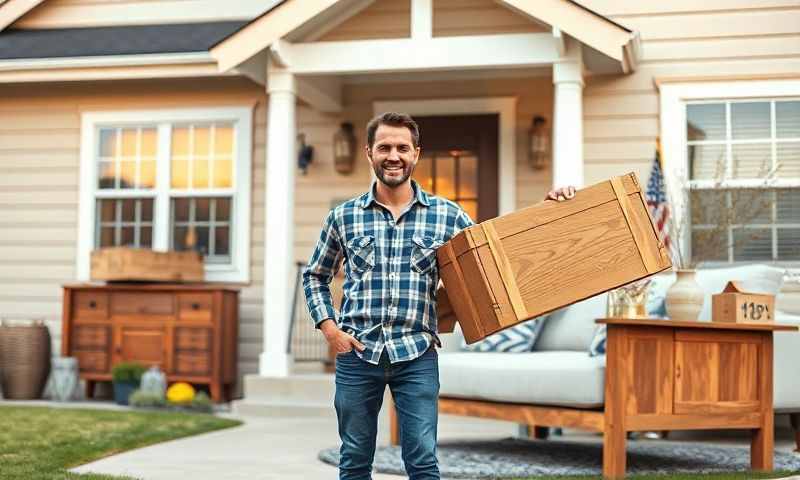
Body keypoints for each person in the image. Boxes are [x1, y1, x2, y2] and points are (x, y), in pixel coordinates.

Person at [302, 112, 576, 480]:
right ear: (369, 153)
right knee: (353, 460)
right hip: (357, 354)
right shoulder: (343, 216)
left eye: (402, 147)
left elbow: (495, 256)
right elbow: (315, 275)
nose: (393, 155)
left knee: (423, 462)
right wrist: (330, 329)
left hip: (416, 354)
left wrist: (551, 211)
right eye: (384, 147)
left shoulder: (447, 215)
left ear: (417, 153)